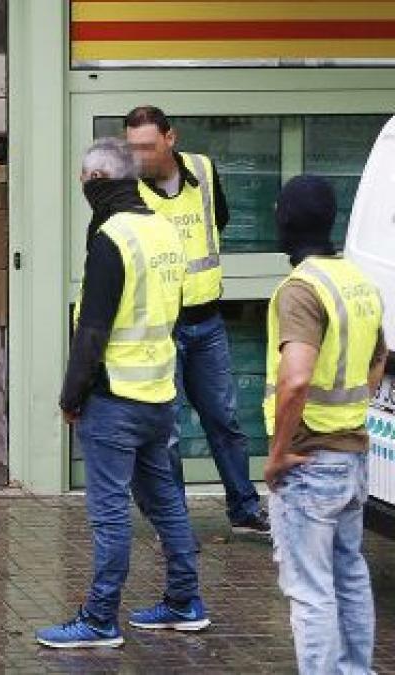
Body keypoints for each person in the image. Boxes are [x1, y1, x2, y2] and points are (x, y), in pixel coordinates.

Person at [38, 138, 208, 648]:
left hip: (115, 401)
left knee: (110, 513)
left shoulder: (112, 238)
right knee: (166, 504)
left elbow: (92, 331)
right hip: (158, 393)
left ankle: (99, 618)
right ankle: (184, 602)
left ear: (95, 182)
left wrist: (71, 395)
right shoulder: (162, 231)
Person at [125, 105, 269, 535]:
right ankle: (176, 523)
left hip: (206, 322)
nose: (141, 156)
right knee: (166, 433)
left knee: (223, 419)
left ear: (171, 138)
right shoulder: (129, 188)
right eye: (133, 148)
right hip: (161, 329)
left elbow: (217, 219)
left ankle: (244, 507)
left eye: (148, 146)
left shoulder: (203, 171)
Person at [263, 175, 384, 674]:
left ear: (286, 219)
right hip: (353, 456)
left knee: (310, 592)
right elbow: (378, 363)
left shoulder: (301, 289)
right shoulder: (358, 281)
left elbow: (294, 380)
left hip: (309, 461)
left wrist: (277, 456)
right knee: (350, 575)